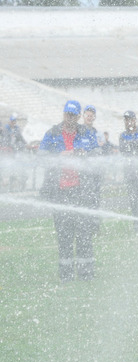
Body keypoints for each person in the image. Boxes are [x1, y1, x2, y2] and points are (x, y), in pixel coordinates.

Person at [38, 100, 100, 281]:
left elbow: (97, 154)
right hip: (60, 193)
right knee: (64, 235)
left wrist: (84, 154)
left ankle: (86, 273)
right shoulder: (52, 133)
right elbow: (41, 156)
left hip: (82, 191)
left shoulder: (87, 133)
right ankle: (66, 274)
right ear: (63, 114)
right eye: (67, 114)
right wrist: (58, 156)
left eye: (73, 115)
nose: (69, 118)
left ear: (78, 116)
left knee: (83, 234)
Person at [1, 112, 29, 191]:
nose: (13, 123)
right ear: (9, 121)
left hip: (14, 150)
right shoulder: (5, 129)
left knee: (15, 165)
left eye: (14, 121)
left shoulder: (17, 129)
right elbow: (4, 140)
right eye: (12, 121)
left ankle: (14, 181)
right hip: (6, 150)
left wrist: (26, 144)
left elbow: (21, 138)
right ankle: (5, 180)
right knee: (6, 165)